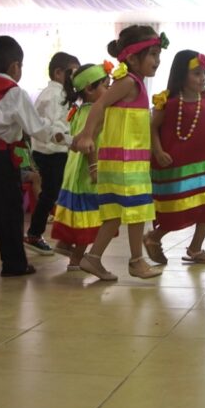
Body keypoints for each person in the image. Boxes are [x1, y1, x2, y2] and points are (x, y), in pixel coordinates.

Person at [0, 36, 62, 279]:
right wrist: (58, 132)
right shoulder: (14, 92)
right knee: (8, 211)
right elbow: (35, 128)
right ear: (15, 66)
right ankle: (14, 263)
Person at [72, 25, 166, 280]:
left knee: (115, 213)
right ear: (133, 58)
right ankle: (136, 261)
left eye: (159, 54)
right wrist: (88, 133)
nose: (157, 60)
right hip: (127, 162)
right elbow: (99, 104)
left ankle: (92, 259)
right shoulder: (128, 82)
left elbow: (108, 113)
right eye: (153, 55)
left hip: (121, 161)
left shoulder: (132, 83)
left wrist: (85, 134)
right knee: (138, 210)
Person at [145, 50, 205, 266]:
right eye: (196, 73)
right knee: (176, 208)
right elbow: (152, 128)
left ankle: (195, 248)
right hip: (175, 165)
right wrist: (157, 151)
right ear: (181, 75)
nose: (202, 78)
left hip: (203, 165)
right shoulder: (168, 101)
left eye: (204, 73)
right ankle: (153, 238)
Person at [51, 62, 111, 269]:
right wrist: (94, 168)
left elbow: (75, 140)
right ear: (89, 89)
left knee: (79, 213)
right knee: (91, 218)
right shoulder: (97, 111)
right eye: (105, 84)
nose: (109, 89)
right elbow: (90, 142)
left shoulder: (79, 110)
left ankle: (65, 244)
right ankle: (77, 258)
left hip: (74, 170)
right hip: (88, 170)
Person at [25, 52, 80, 256]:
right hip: (51, 152)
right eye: (73, 73)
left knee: (55, 193)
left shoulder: (59, 94)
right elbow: (54, 129)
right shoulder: (54, 95)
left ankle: (61, 237)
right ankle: (34, 234)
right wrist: (72, 141)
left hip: (53, 151)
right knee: (51, 194)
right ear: (58, 73)